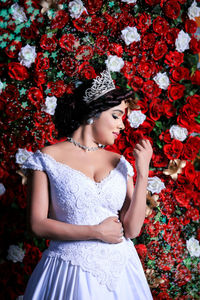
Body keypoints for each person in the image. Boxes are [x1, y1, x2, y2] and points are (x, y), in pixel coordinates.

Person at [21, 70, 153, 299]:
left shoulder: (119, 162)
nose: (122, 125)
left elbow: (132, 230)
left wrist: (142, 174)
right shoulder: (46, 158)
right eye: (116, 115)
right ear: (94, 112)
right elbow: (37, 224)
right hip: (68, 269)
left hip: (120, 271)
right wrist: (95, 232)